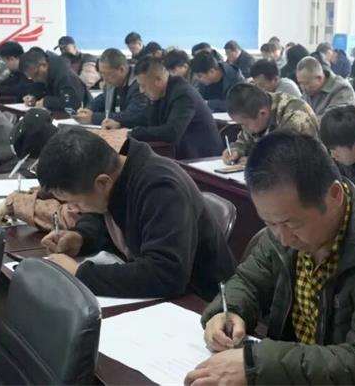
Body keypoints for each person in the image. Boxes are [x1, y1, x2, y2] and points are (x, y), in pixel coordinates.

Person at [186, 132, 355, 385]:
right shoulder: (283, 226)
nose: (283, 239)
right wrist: (228, 312)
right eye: (269, 223)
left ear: (334, 196)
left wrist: (256, 364)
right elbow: (249, 281)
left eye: (292, 224)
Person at [36, 127, 236, 300]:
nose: (73, 209)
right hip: (161, 298)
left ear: (103, 183)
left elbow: (166, 274)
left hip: (204, 304)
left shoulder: (161, 189)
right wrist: (81, 238)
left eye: (74, 201)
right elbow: (105, 216)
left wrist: (80, 273)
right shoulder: (115, 172)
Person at [130, 57, 222, 159]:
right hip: (180, 152)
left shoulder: (183, 94)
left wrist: (136, 132)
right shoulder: (159, 92)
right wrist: (120, 122)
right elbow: (145, 117)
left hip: (203, 157)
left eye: (143, 85)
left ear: (158, 80)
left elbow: (172, 132)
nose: (141, 90)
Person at [223, 83, 318, 164]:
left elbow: (288, 156)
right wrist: (236, 150)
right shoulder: (256, 110)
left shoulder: (296, 114)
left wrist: (255, 161)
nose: (244, 128)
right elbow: (245, 140)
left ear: (262, 113)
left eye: (245, 124)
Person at [78, 48, 148, 128]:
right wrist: (89, 109)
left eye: (107, 74)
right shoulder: (113, 82)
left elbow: (132, 115)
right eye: (102, 74)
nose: (104, 79)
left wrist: (93, 118)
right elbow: (103, 98)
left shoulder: (140, 83)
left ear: (121, 69)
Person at [19, 48, 91, 111]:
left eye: (36, 74)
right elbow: (42, 93)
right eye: (31, 77)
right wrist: (34, 98)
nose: (35, 80)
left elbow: (72, 103)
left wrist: (46, 102)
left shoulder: (66, 76)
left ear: (44, 65)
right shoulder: (44, 76)